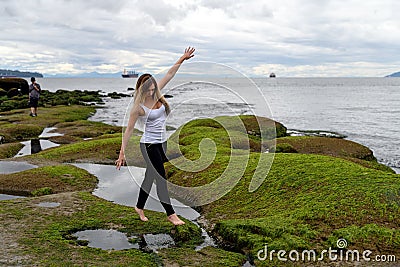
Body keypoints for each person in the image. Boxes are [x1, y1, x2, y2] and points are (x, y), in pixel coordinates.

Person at [116, 47, 195, 226]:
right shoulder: (138, 108)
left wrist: (182, 58)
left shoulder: (158, 92)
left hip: (162, 143)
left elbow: (170, 74)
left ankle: (139, 206)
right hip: (149, 146)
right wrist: (122, 153)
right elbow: (128, 130)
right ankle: (171, 214)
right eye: (149, 90)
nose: (152, 92)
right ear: (141, 89)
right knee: (161, 178)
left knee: (150, 177)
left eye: (153, 88)